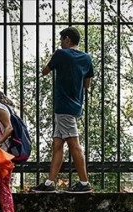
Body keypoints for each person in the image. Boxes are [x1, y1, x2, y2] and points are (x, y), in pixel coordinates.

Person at [31, 26, 94, 194]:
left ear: (67, 39)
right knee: (57, 144)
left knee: (74, 145)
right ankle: (50, 183)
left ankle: (84, 183)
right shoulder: (87, 58)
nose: (61, 42)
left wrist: (53, 58)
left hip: (63, 106)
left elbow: (44, 71)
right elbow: (87, 84)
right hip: (74, 105)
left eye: (61, 39)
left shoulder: (60, 54)